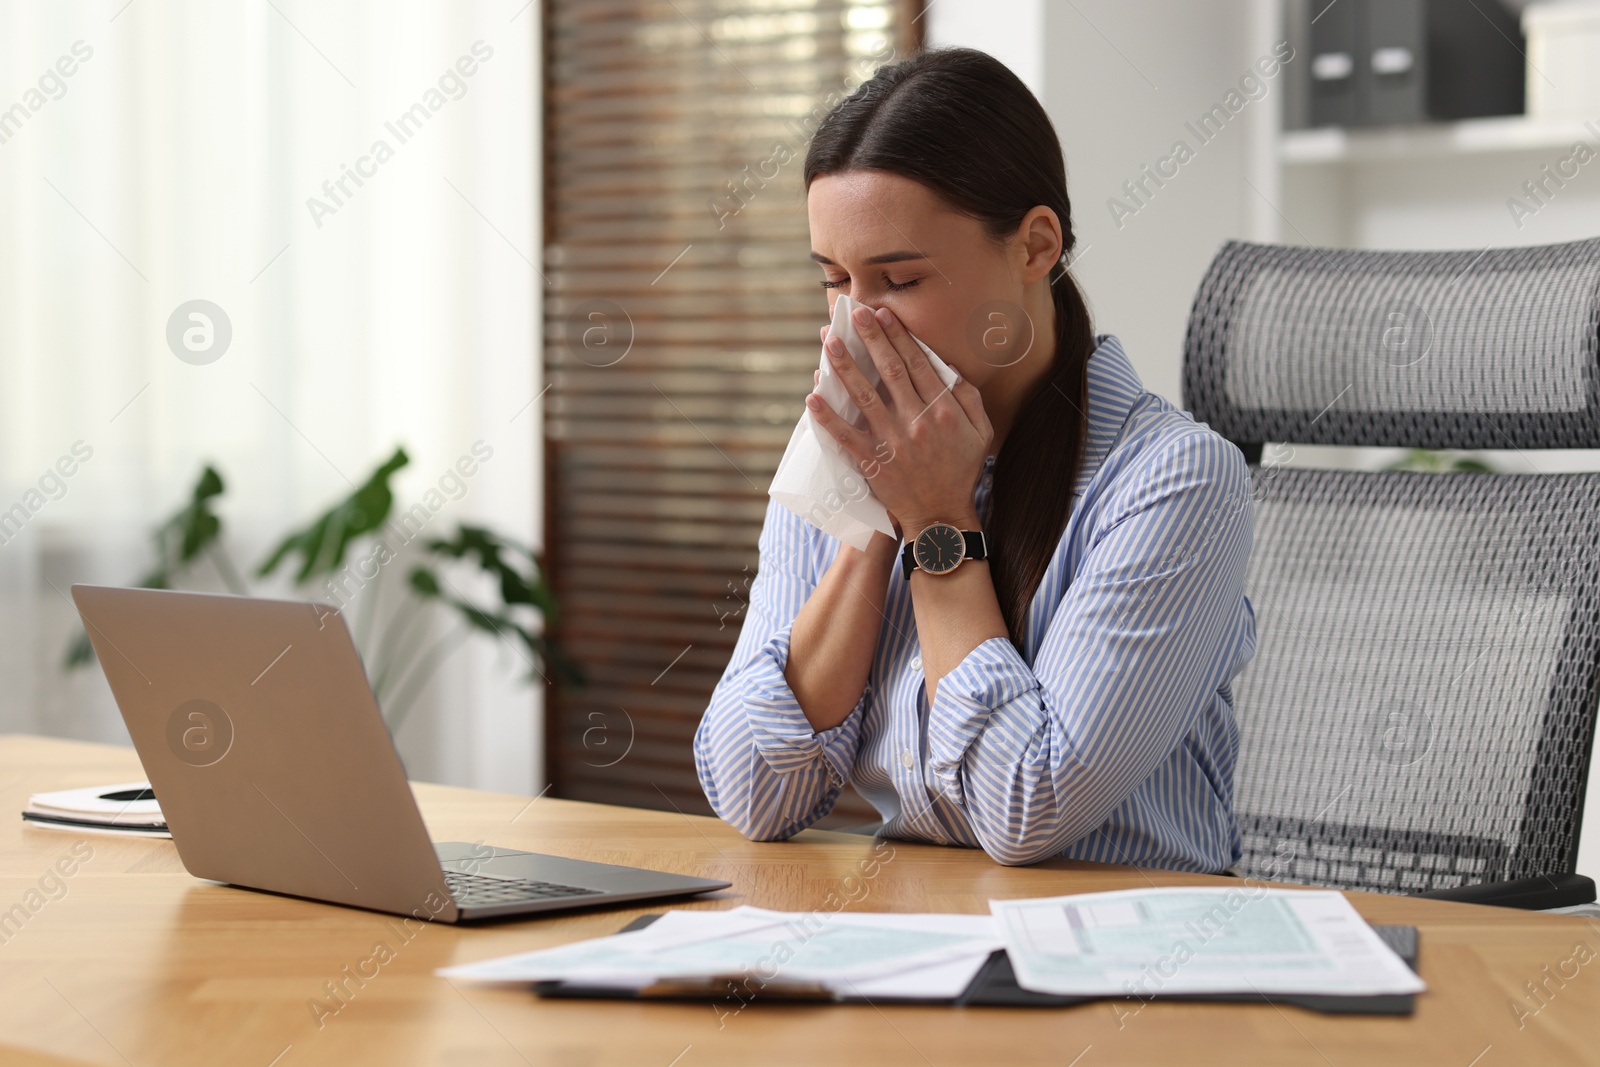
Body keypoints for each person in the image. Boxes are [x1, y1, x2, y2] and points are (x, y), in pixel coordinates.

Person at [693, 47, 1257, 872]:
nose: (857, 326)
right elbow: (754, 792)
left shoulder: (1175, 481)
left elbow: (1026, 809)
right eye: (835, 280)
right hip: (917, 948)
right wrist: (873, 512)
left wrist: (938, 523)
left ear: (1034, 246)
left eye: (899, 278)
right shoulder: (845, 442)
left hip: (1126, 968)